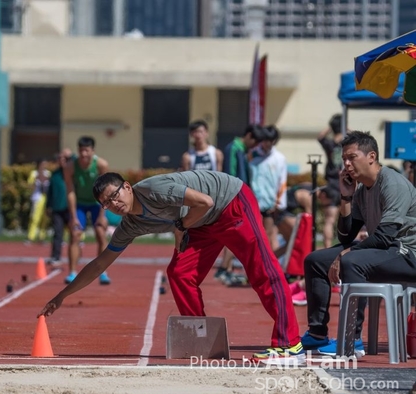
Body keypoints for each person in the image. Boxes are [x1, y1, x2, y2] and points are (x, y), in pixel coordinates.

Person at [39, 170, 304, 364]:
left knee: (262, 271)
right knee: (179, 273)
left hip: (229, 203)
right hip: (200, 224)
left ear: (127, 187)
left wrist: (180, 226)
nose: (113, 205)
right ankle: (203, 337)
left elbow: (205, 202)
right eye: (106, 204)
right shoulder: (130, 225)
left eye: (114, 196)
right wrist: (62, 296)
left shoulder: (155, 189)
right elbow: (100, 263)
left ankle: (288, 344)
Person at [301, 131, 416, 357]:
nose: (346, 164)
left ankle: (352, 340)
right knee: (315, 261)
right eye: (344, 158)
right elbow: (346, 236)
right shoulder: (362, 190)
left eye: (352, 157)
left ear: (371, 156)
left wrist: (346, 253)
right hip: (386, 250)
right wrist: (346, 197)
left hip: (408, 253)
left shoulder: (392, 183)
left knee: (353, 261)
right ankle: (317, 335)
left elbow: (384, 236)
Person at [215, 124, 264, 282]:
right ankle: (224, 268)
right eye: (255, 142)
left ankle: (227, 267)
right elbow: (230, 173)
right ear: (249, 136)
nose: (255, 146)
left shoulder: (243, 150)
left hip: (241, 196)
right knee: (236, 233)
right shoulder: (234, 148)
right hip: (234, 197)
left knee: (237, 233)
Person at [64, 136, 111, 285]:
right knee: (75, 233)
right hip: (80, 204)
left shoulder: (101, 165)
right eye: (81, 151)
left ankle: (103, 272)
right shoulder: (70, 167)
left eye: (87, 150)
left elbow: (106, 191)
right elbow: (70, 191)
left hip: (97, 203)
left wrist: (102, 215)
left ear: (92, 151)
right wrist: (73, 217)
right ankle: (72, 273)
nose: (84, 154)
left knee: (100, 232)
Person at [250, 125, 288, 250]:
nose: (267, 144)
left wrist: (279, 204)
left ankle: (265, 265)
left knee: (268, 235)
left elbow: (282, 182)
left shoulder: (279, 158)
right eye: (265, 140)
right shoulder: (252, 155)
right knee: (252, 234)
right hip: (253, 200)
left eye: (270, 141)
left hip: (269, 203)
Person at [317, 114, 344, 248]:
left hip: (332, 184)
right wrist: (346, 126)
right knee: (346, 219)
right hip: (346, 184)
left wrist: (331, 126)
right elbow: (358, 136)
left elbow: (320, 137)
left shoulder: (330, 144)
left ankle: (327, 247)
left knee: (329, 220)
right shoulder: (348, 143)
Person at [45, 148, 72, 266]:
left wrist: (70, 154)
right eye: (59, 159)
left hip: (70, 207)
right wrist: (48, 206)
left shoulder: (72, 173)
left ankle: (75, 256)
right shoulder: (54, 174)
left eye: (64, 159)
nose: (61, 161)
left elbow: (76, 159)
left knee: (74, 233)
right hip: (57, 208)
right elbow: (49, 192)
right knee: (57, 233)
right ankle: (56, 256)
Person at [26, 158, 51, 244]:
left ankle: (42, 237)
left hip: (46, 198)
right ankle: (31, 236)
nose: (44, 166)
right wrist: (37, 179)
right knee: (35, 218)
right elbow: (29, 186)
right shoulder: (34, 173)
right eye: (43, 164)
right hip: (37, 197)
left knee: (44, 218)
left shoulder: (48, 173)